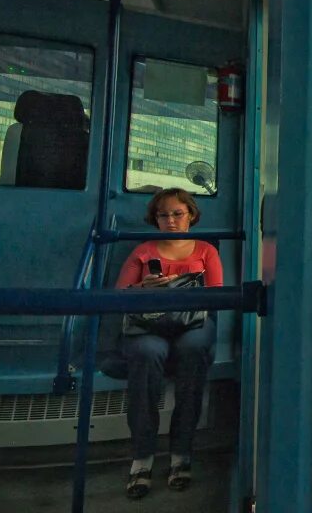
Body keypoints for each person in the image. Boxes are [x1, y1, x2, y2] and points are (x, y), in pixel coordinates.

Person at [115, 188, 223, 499]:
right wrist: (142, 287)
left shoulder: (205, 250)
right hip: (149, 324)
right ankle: (142, 456)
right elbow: (119, 293)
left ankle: (181, 453)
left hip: (192, 323)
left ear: (191, 215)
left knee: (193, 350)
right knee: (148, 353)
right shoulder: (144, 251)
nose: (171, 220)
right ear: (155, 219)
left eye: (177, 214)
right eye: (164, 215)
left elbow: (216, 293)